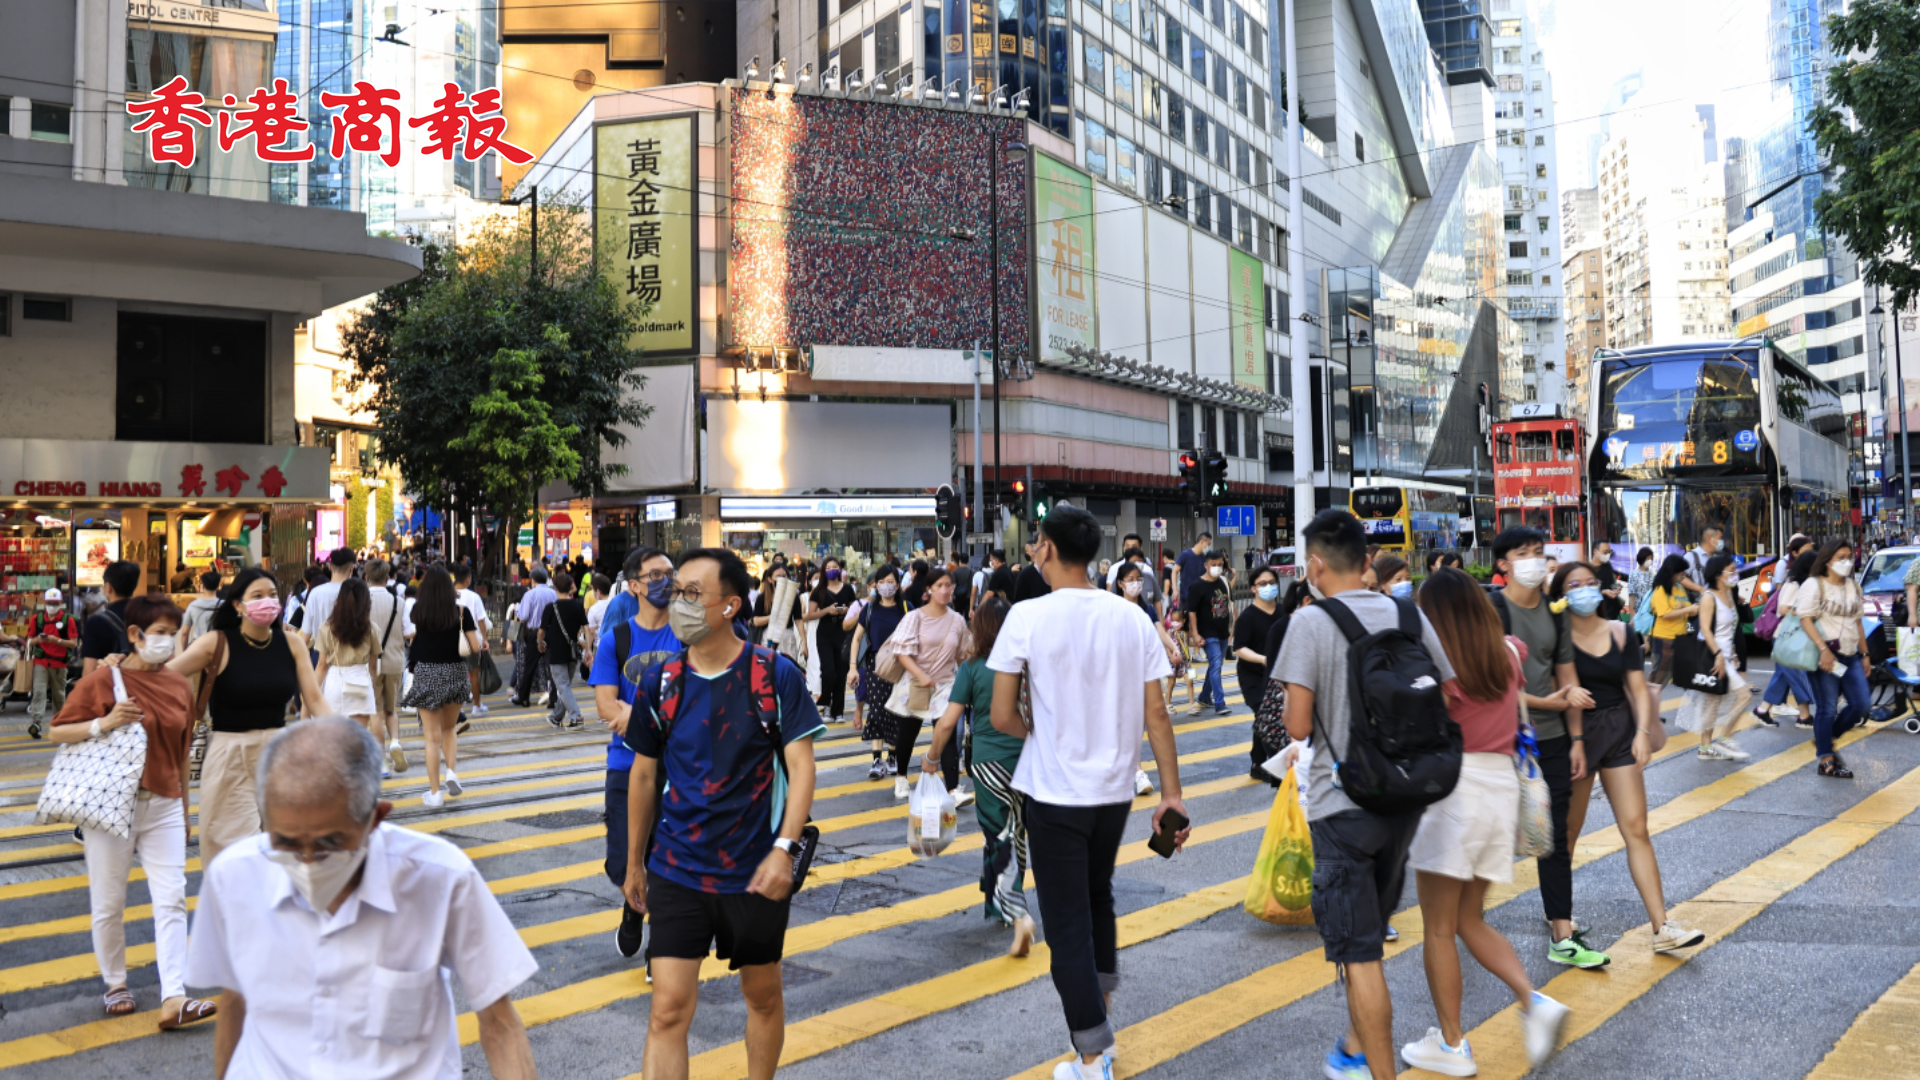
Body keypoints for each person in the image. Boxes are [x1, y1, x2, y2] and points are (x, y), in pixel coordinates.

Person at [186, 718, 539, 1080]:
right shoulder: (235, 877)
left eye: (329, 844)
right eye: (287, 843)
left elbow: (499, 1027)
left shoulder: (441, 879)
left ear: (376, 818)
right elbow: (235, 1002)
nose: (307, 862)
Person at [986, 506, 1187, 1080]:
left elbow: (1002, 714)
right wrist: (1170, 795)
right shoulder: (1129, 616)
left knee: (1068, 924)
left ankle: (1093, 1057)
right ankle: (1099, 1031)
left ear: (1046, 549)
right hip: (1114, 792)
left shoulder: (1026, 616)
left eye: (1035, 545)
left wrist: (1045, 733)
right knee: (1098, 900)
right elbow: (1158, 713)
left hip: (1054, 793)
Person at [620, 548, 823, 1080]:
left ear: (730, 606)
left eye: (691, 593)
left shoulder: (774, 676)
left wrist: (784, 849)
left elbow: (802, 769)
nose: (677, 602)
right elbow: (643, 776)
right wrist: (634, 863)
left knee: (761, 995)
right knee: (667, 1009)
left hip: (754, 872)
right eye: (674, 591)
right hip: (677, 866)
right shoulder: (660, 683)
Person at [1274, 509, 1455, 1080]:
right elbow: (1443, 693)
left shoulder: (1310, 623)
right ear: (1368, 560)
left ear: (1315, 564)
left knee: (1361, 958)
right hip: (1405, 802)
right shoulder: (1408, 614)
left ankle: (1377, 1072)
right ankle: (1352, 1051)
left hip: (1342, 807)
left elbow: (1298, 726)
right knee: (1369, 939)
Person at [1396, 568, 1570, 1075]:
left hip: (1451, 787)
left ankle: (1452, 1045)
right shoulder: (1509, 651)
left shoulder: (1432, 662)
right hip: (1499, 789)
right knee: (1469, 918)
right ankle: (1534, 1003)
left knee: (1438, 928)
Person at [51, 592, 217, 1028]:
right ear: (134, 634)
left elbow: (182, 752)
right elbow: (57, 732)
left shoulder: (180, 685)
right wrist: (103, 723)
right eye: (160, 633)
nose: (167, 642)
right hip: (113, 809)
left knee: (173, 899)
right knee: (109, 903)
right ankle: (116, 983)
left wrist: (184, 809)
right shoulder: (104, 680)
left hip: (163, 804)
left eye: (172, 633)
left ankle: (174, 997)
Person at [1552, 562, 1703, 954]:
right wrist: (1577, 742)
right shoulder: (1559, 637)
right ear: (1561, 595)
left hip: (1620, 732)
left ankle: (1662, 927)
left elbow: (1638, 689)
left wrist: (1640, 733)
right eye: (1574, 585)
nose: (1585, 590)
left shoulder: (1621, 632)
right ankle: (1559, 919)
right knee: (1568, 833)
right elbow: (1567, 693)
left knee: (1636, 828)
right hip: (1580, 736)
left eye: (1590, 583)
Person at [1490, 526, 1606, 972]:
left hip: (1553, 738)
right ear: (1503, 564)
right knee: (1492, 829)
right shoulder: (1493, 608)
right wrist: (1550, 702)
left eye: (1540, 552)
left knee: (1553, 838)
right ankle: (1464, 915)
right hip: (1501, 738)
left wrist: (1576, 738)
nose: (1535, 560)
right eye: (1524, 553)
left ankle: (1562, 931)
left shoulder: (1555, 613)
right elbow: (1495, 682)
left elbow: (1566, 675)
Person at [169, 568, 328, 865]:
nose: (267, 602)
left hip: (280, 756)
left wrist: (346, 738)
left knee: (285, 851)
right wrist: (123, 666)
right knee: (234, 853)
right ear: (237, 605)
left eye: (272, 596)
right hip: (230, 754)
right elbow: (166, 676)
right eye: (257, 596)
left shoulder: (291, 643)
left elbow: (315, 698)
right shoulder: (216, 643)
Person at [925, 596, 1036, 952]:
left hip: (990, 764)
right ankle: (1000, 901)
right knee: (1018, 831)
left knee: (999, 835)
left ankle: (1018, 913)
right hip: (1030, 760)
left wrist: (930, 758)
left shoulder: (973, 668)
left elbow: (947, 723)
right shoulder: (1029, 663)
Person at [590, 546, 680, 961]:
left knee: (667, 858)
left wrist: (640, 715)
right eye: (656, 574)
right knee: (623, 861)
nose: (666, 580)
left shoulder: (688, 634)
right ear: (635, 586)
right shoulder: (618, 638)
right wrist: (656, 719)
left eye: (670, 573)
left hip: (678, 768)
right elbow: (606, 705)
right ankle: (632, 904)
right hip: (625, 766)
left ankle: (658, 948)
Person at [883, 565, 974, 802]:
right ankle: (901, 776)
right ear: (928, 590)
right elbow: (902, 652)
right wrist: (921, 675)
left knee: (946, 732)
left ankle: (953, 790)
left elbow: (962, 654)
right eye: (939, 586)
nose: (945, 590)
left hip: (945, 685)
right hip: (916, 683)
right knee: (907, 734)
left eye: (948, 586)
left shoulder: (957, 620)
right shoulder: (915, 617)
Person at [401, 567, 488, 807]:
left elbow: (415, 637)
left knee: (431, 738)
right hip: (455, 672)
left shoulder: (419, 611)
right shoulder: (462, 612)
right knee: (449, 729)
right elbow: (475, 646)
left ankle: (435, 793)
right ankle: (451, 772)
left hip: (427, 672)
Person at [1797, 539, 1870, 779]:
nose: (1847, 562)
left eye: (1850, 556)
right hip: (1826, 656)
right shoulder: (1814, 585)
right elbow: (1805, 618)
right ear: (1828, 561)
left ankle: (1824, 739)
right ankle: (1826, 760)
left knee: (1861, 704)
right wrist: (1822, 649)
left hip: (1849, 656)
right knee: (1827, 707)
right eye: (1841, 557)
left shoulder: (1853, 586)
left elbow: (1858, 621)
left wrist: (1865, 654)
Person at [1679, 554, 1755, 761]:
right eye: (1731, 570)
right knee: (1745, 695)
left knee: (1713, 701)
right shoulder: (1708, 597)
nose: (1735, 574)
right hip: (1715, 656)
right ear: (1718, 574)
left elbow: (1729, 629)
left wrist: (1733, 653)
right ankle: (1725, 737)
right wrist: (1719, 656)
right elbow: (1705, 629)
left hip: (1727, 656)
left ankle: (1705, 748)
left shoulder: (1729, 595)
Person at [850, 566, 910, 780]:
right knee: (876, 710)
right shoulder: (869, 610)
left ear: (898, 584)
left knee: (897, 711)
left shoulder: (905, 607)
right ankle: (877, 759)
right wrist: (852, 668)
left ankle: (893, 756)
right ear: (876, 584)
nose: (887, 585)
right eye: (882, 581)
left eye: (891, 581)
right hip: (876, 666)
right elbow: (856, 638)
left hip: (902, 666)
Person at [313, 577, 380, 743]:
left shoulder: (327, 628)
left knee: (334, 743)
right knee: (357, 742)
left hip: (335, 683)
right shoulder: (371, 629)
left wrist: (310, 696)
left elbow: (322, 666)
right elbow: (373, 667)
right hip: (361, 684)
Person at [1756, 548, 1818, 728]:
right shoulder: (1792, 584)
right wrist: (1809, 613)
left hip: (1794, 635)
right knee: (1797, 675)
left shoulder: (1804, 583)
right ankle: (1804, 716)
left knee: (1784, 675)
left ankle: (1762, 710)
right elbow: (1783, 609)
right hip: (1786, 635)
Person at [1233, 566, 1282, 768]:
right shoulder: (1247, 617)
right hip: (1253, 676)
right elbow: (1239, 648)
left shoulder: (1284, 612)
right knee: (1264, 713)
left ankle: (1258, 763)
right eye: (1263, 584)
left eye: (1271, 583)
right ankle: (1270, 764)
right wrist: (1263, 659)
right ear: (1253, 588)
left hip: (1279, 675)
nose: (1268, 587)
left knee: (1266, 717)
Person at [364, 560, 410, 772]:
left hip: (369, 663)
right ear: (387, 578)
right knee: (391, 709)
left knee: (375, 712)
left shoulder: (362, 602)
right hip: (394, 660)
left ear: (366, 578)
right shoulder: (398, 602)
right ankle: (396, 743)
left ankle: (381, 761)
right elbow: (410, 632)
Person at [1183, 548, 1233, 717]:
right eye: (1214, 565)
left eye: (1220, 565)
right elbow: (1192, 612)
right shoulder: (1197, 586)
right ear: (1206, 565)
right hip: (1207, 633)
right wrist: (1195, 634)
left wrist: (1231, 629)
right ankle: (1220, 703)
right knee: (1216, 664)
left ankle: (1205, 697)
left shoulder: (1223, 582)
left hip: (1222, 631)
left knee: (1214, 665)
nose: (1217, 568)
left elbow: (1228, 605)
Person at [806, 558, 857, 721]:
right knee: (829, 672)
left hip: (843, 632)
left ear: (840, 569)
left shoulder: (848, 589)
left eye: (835, 567)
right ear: (823, 571)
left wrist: (847, 611)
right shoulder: (819, 590)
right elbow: (808, 615)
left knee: (841, 673)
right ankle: (826, 703)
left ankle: (838, 711)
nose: (832, 570)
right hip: (824, 633)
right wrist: (827, 610)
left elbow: (856, 611)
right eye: (828, 568)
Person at [24, 586, 78, 739]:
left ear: (60, 603)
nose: (52, 606)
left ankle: (59, 723)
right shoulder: (37, 619)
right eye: (49, 603)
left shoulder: (68, 620)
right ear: (44, 603)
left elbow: (73, 644)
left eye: (55, 603)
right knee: (39, 692)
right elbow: (30, 642)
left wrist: (58, 641)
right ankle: (37, 723)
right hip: (41, 661)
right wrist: (38, 640)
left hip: (59, 664)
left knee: (59, 695)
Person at [539, 571, 590, 729]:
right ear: (571, 587)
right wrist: (588, 649)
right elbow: (587, 628)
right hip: (573, 651)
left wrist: (539, 642)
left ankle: (576, 717)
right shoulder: (577, 605)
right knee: (565, 685)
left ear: (554, 587)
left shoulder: (551, 607)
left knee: (563, 686)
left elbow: (541, 631)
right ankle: (556, 717)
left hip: (556, 652)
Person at [1647, 555, 1700, 690]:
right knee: (1658, 679)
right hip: (1664, 639)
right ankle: (1646, 706)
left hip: (1680, 638)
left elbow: (1691, 611)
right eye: (1681, 572)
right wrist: (1686, 609)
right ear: (1673, 571)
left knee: (1685, 676)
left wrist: (1690, 608)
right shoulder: (1661, 590)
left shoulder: (1679, 588)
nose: (1683, 576)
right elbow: (1664, 614)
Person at [82, 559, 141, 675]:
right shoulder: (148, 616)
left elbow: (89, 672)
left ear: (108, 587)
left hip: (110, 688)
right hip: (142, 687)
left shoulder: (96, 623)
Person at [510, 567, 558, 707]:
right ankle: (554, 699)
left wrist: (517, 609)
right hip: (551, 632)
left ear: (533, 580)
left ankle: (523, 697)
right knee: (552, 667)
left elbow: (523, 615)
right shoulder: (553, 593)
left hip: (534, 633)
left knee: (529, 666)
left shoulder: (530, 594)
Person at [454, 564, 494, 716]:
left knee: (457, 675)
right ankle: (477, 706)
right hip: (472, 641)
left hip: (453, 642)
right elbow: (481, 620)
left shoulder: (449, 594)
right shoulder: (474, 597)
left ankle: (458, 707)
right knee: (474, 674)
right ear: (468, 579)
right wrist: (485, 639)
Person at [298, 547, 357, 641]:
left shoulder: (315, 593)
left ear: (329, 566)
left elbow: (306, 633)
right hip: (349, 651)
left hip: (319, 650)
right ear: (351, 568)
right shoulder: (357, 592)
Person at [179, 570, 223, 649]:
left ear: (203, 586)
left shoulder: (193, 605)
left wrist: (184, 652)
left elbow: (185, 632)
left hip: (198, 646)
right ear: (218, 586)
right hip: (217, 647)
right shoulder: (224, 605)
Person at [1679, 525, 1726, 596]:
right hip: (1700, 603)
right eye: (1720, 538)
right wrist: (1700, 589)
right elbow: (1680, 577)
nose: (1722, 542)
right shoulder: (1691, 556)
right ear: (1710, 539)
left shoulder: (1718, 558)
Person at [1588, 540, 1623, 618]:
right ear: (1595, 551)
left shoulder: (1608, 565)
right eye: (1605, 552)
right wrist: (1604, 592)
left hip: (1612, 612)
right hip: (1597, 614)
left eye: (1609, 552)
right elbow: (1587, 593)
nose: (1607, 555)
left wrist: (1616, 588)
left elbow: (1611, 583)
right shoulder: (1588, 570)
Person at [1174, 533, 1212, 602]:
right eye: (1208, 545)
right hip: (1186, 596)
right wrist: (1175, 589)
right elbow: (1175, 571)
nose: (1208, 547)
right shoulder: (1185, 555)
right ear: (1202, 542)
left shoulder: (1205, 558)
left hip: (1201, 597)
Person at [1625, 547, 1657, 618]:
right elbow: (1632, 596)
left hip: (1653, 611)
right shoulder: (1634, 574)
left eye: (1651, 558)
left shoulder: (1653, 573)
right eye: (1648, 558)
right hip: (1639, 612)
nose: (1650, 560)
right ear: (1642, 558)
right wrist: (1631, 616)